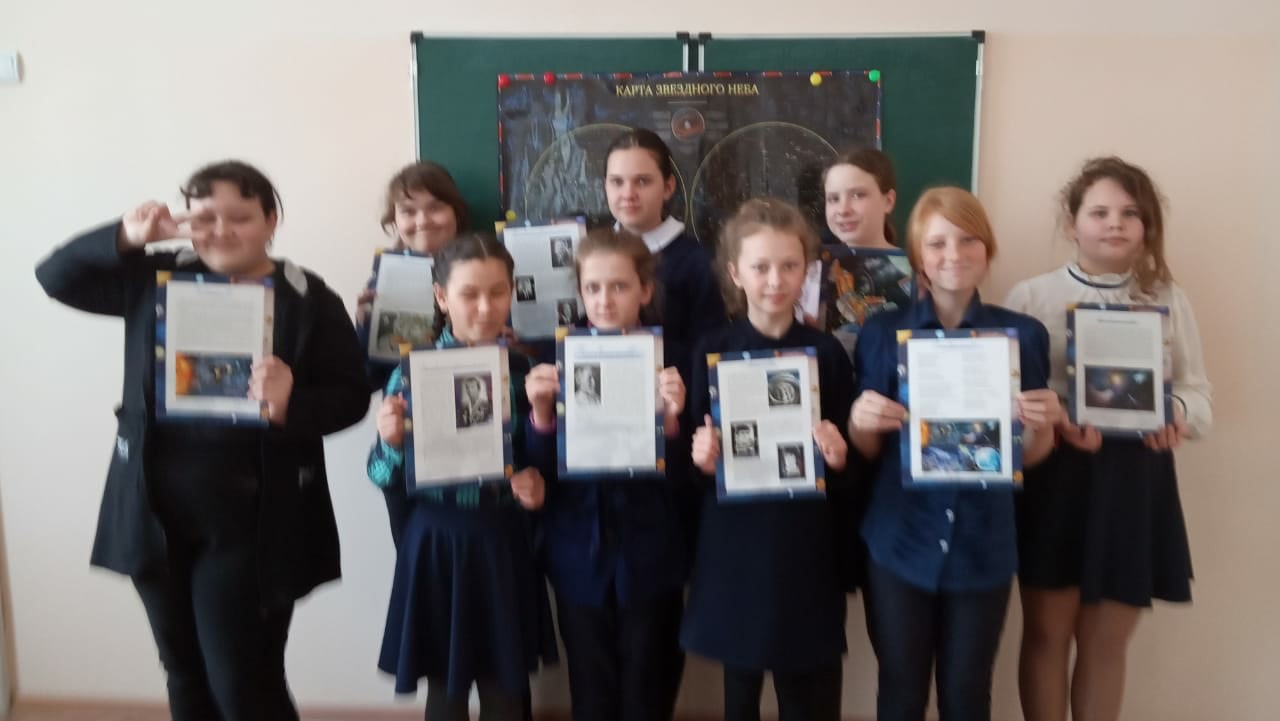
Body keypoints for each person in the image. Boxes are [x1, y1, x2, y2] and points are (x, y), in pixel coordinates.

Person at [34, 160, 370, 721]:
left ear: (271, 220)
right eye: (205, 217)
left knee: (244, 684)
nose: (221, 230)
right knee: (184, 673)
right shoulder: (154, 277)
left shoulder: (309, 298)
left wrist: (292, 403)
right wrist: (128, 236)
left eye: (239, 217)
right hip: (152, 513)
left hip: (254, 525)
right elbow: (55, 278)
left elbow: (351, 398)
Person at [1004, 156, 1212, 721]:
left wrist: (1174, 413)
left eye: (1129, 213)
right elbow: (1004, 400)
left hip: (1135, 480)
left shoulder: (1169, 298)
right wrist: (1053, 419)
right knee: (1046, 635)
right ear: (1073, 223)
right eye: (1099, 212)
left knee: (1106, 643)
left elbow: (1198, 395)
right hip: (1055, 478)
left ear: (1147, 226)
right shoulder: (1030, 297)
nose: (1114, 223)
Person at [848, 186, 1060, 721]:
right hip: (899, 540)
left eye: (969, 240)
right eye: (937, 243)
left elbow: (1031, 455)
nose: (954, 254)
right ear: (918, 255)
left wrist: (1042, 424)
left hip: (983, 543)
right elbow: (868, 450)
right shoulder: (881, 334)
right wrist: (860, 421)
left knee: (967, 693)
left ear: (987, 248)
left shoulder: (1023, 336)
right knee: (901, 691)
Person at [367, 233, 557, 721]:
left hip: (503, 541)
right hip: (437, 545)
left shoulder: (525, 371)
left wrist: (539, 484)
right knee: (444, 694)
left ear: (512, 291)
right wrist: (390, 443)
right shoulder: (410, 373)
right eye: (469, 294)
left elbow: (546, 460)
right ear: (441, 296)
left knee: (506, 692)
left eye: (498, 292)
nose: (485, 308)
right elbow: (380, 474)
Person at [684, 198, 853, 721]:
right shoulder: (711, 350)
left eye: (788, 266)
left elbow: (847, 467)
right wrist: (702, 460)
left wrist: (839, 457)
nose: (775, 280)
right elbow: (694, 457)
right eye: (760, 267)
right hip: (736, 544)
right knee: (740, 691)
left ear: (807, 271)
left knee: (810, 693)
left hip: (806, 546)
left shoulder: (827, 353)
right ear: (736, 273)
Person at [524, 226, 693, 721]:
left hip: (653, 548)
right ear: (579, 292)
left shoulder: (675, 362)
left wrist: (671, 423)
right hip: (578, 547)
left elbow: (692, 476)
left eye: (619, 286)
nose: (604, 300)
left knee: (650, 685)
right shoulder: (555, 358)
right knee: (591, 686)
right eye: (592, 287)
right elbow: (540, 468)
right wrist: (541, 415)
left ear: (645, 289)